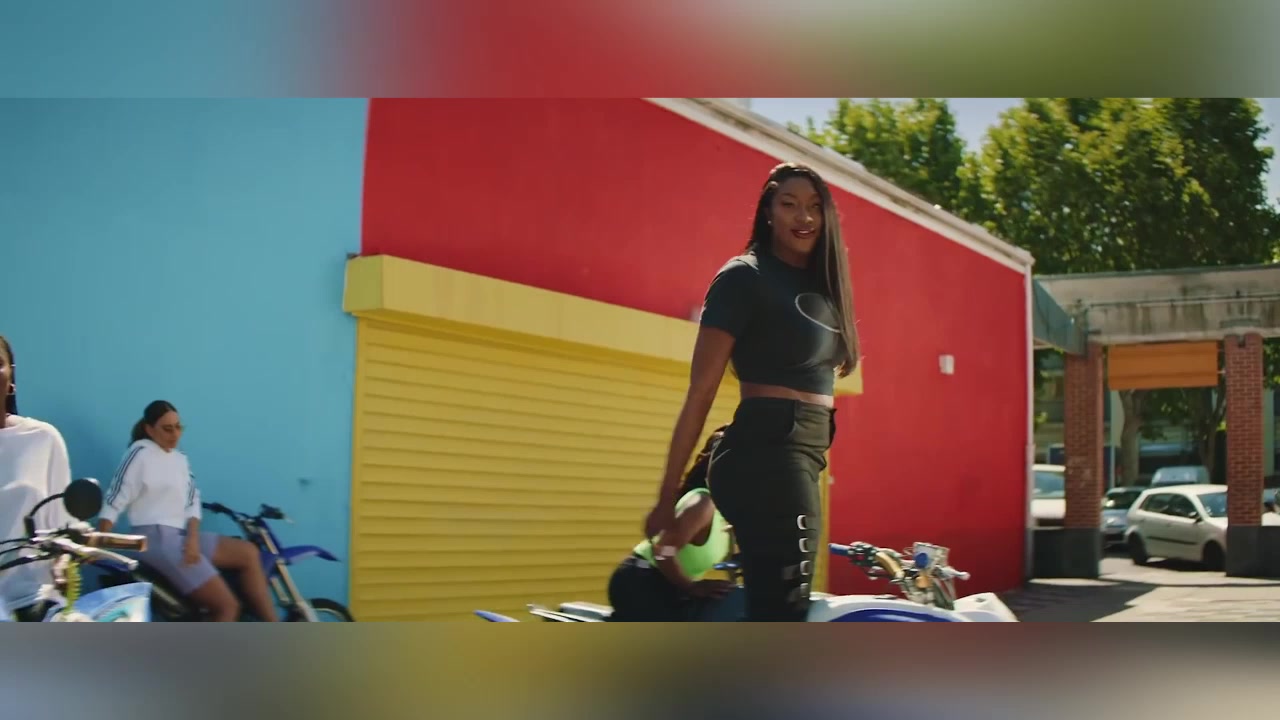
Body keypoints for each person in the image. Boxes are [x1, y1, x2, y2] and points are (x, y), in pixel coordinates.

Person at [643, 162, 859, 622]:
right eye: (789, 204)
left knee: (780, 607)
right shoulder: (744, 277)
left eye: (814, 207)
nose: (804, 217)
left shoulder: (824, 285)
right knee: (785, 610)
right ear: (767, 212)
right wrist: (666, 497)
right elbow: (700, 392)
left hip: (804, 453)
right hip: (765, 452)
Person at [97, 400, 278, 622]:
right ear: (149, 429)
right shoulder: (140, 454)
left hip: (181, 536)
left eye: (178, 427)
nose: (175, 434)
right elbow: (115, 497)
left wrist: (192, 539)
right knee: (227, 607)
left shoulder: (179, 458)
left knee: (248, 552)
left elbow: (193, 499)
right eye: (167, 428)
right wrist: (100, 540)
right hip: (156, 540)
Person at [608, 425, 735, 621]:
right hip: (642, 583)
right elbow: (663, 549)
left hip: (669, 587)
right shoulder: (702, 503)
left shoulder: (724, 510)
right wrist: (691, 587)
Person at [0, 334, 73, 621]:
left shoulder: (43, 438)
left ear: (11, 378)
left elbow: (64, 525)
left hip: (32, 599)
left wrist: (64, 562)